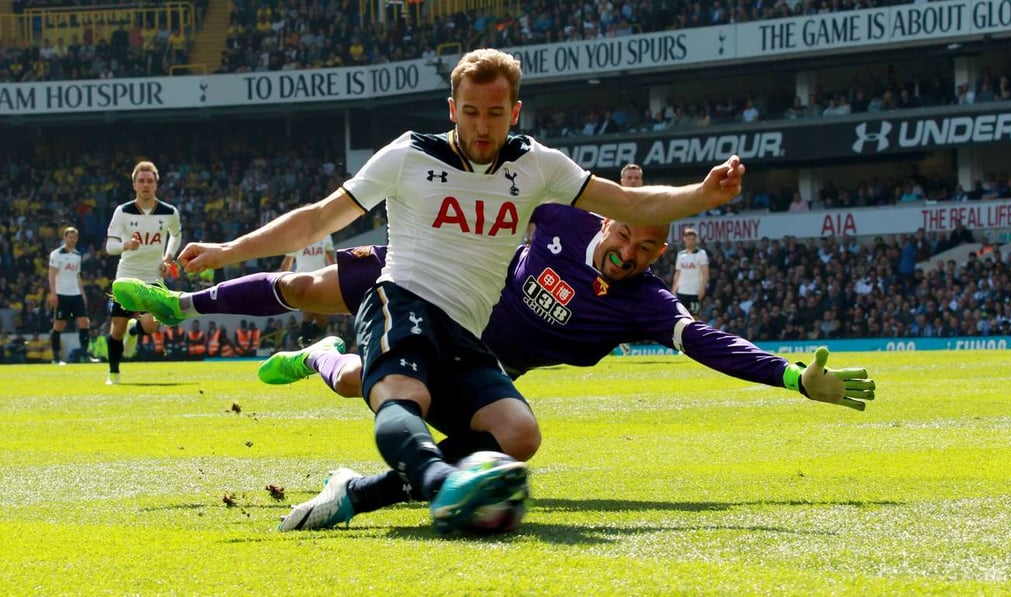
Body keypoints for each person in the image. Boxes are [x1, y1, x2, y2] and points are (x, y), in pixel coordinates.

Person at [115, 48, 746, 535]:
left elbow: (631, 201)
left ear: (514, 112)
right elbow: (316, 219)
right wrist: (228, 251)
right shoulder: (407, 156)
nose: (481, 126)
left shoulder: (539, 167)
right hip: (404, 298)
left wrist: (703, 196)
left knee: (519, 434)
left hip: (469, 330)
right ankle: (443, 483)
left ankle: (357, 492)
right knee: (401, 394)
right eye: (470, 112)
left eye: (495, 113)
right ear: (452, 109)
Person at [117, 204, 876, 530]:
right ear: (610, 215)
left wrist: (792, 377)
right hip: (430, 286)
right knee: (303, 286)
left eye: (652, 250)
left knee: (358, 382)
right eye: (632, 237)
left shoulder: (643, 301)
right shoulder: (561, 216)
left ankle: (322, 365)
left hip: (475, 364)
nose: (636, 255)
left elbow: (709, 341)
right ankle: (187, 302)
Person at [104, 160, 182, 385]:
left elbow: (175, 235)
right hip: (126, 275)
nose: (146, 185)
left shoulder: (169, 212)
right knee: (116, 328)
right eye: (141, 181)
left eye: (150, 181)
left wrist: (168, 257)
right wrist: (126, 245)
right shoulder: (123, 211)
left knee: (151, 325)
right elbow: (110, 246)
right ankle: (114, 374)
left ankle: (134, 331)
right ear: (134, 184)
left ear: (156, 184)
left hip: (153, 277)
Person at [278, 235, 336, 346]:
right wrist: (282, 280)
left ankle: (304, 340)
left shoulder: (326, 236)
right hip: (302, 281)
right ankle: (305, 342)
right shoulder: (298, 236)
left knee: (323, 320)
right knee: (308, 314)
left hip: (320, 281)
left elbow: (331, 261)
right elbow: (287, 263)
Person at [47, 226, 92, 364]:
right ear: (65, 238)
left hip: (75, 293)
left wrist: (82, 294)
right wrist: (53, 293)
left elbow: (77, 276)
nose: (72, 240)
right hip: (62, 294)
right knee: (59, 325)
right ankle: (56, 358)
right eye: (70, 237)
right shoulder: (56, 254)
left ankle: (85, 355)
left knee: (84, 322)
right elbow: (52, 275)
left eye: (75, 237)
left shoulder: (77, 255)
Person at [671, 228, 709, 318]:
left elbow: (705, 272)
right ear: (684, 239)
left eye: (692, 239)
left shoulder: (701, 254)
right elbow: (678, 273)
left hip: (695, 291)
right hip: (682, 291)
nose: (690, 241)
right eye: (688, 239)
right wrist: (674, 289)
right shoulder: (681, 255)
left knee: (695, 316)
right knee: (680, 316)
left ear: (696, 240)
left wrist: (703, 288)